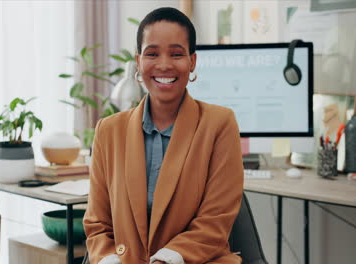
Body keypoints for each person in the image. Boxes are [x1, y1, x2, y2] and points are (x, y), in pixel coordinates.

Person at [83, 7, 244, 264]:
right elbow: (97, 224)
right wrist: (109, 259)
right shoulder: (109, 131)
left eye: (177, 54)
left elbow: (215, 222)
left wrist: (166, 260)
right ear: (138, 62)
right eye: (153, 54)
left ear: (192, 62)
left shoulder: (219, 124)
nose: (165, 64)